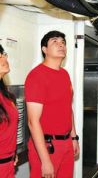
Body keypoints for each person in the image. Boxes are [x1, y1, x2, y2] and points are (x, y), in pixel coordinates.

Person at [25, 30, 80, 178]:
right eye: (55, 41)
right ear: (44, 50)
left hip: (66, 142)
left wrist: (74, 138)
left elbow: (68, 108)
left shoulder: (64, 74)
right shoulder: (36, 76)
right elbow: (32, 121)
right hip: (46, 146)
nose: (61, 44)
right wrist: (45, 160)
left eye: (63, 42)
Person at [0, 45, 18, 177]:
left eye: (4, 54)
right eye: (0, 55)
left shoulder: (6, 94)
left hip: (8, 164)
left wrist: (13, 152)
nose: (5, 57)